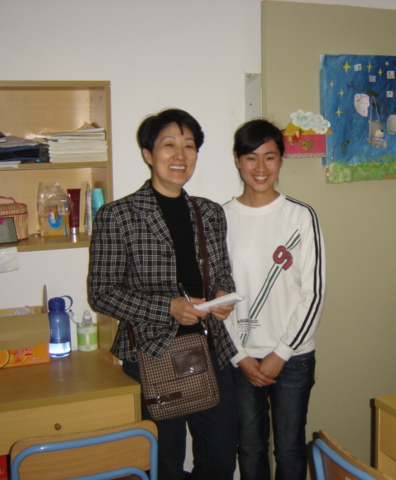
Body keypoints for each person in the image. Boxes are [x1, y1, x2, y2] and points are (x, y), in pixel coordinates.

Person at [88, 108, 238, 480]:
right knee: (163, 462)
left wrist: (222, 294)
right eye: (169, 145)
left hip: (210, 349)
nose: (180, 155)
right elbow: (101, 294)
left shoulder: (210, 212)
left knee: (220, 459)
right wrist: (168, 308)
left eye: (189, 146)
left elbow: (222, 274)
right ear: (148, 154)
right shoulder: (118, 215)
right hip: (151, 352)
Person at [223, 119, 327, 480]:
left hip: (293, 357)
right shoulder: (220, 218)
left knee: (289, 449)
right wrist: (239, 356)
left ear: (282, 160)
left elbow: (313, 293)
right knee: (249, 448)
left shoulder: (300, 216)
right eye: (251, 157)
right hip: (241, 358)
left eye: (269, 157)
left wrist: (281, 353)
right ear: (237, 160)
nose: (261, 168)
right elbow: (217, 297)